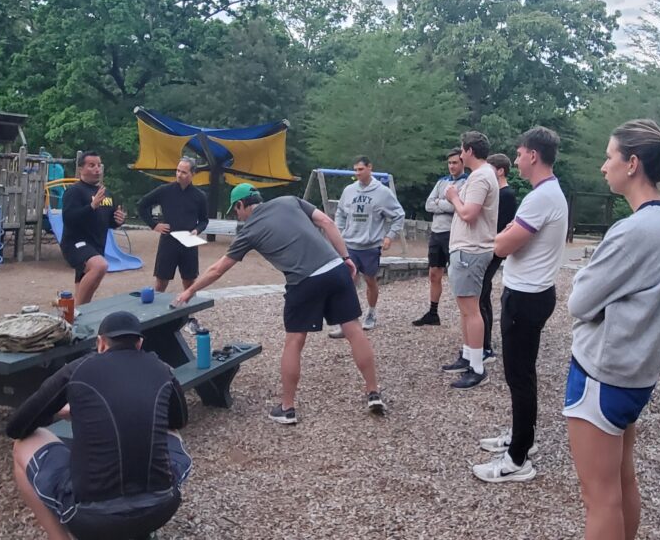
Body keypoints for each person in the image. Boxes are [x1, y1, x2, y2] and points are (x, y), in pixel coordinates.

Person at [563, 119, 660, 540]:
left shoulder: (634, 230)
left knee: (599, 498)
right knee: (621, 483)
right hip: (635, 376)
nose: (604, 166)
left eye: (609, 156)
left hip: (603, 375)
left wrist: (585, 277)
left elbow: (579, 301)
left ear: (632, 164)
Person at [174, 183, 386, 424]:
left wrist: (190, 290)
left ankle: (287, 408)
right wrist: (345, 257)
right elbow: (327, 222)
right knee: (354, 330)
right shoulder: (289, 200)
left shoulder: (249, 231)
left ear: (241, 204)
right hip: (335, 268)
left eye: (236, 210)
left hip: (304, 280)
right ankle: (373, 392)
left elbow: (218, 269)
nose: (238, 216)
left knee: (294, 341)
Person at [6, 311, 191, 540]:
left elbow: (17, 427)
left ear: (101, 343)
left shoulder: (78, 369)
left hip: (90, 520)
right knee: (170, 432)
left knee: (21, 445)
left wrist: (65, 412)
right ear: (139, 343)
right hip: (161, 508)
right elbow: (179, 421)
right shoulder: (161, 368)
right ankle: (140, 529)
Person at [473, 127, 567, 483]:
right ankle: (522, 437)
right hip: (532, 293)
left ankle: (517, 460)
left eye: (519, 153)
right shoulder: (548, 194)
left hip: (526, 297)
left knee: (519, 376)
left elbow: (501, 246)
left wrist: (505, 234)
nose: (515, 159)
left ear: (532, 155)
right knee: (521, 374)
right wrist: (509, 232)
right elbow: (511, 236)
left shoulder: (541, 198)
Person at [440, 131, 499, 389]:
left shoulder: (480, 176)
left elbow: (469, 213)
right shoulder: (482, 175)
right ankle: (467, 355)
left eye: (462, 150)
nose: (461, 154)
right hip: (467, 249)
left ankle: (477, 367)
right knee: (465, 308)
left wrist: (453, 196)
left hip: (471, 250)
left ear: (470, 151)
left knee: (471, 310)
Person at [329, 156, 405, 336]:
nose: (357, 173)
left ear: (370, 168)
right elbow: (340, 213)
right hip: (349, 244)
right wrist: (339, 232)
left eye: (361, 169)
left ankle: (371, 312)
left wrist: (389, 236)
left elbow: (398, 215)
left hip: (370, 246)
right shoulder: (349, 190)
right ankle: (347, 321)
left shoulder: (382, 192)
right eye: (355, 170)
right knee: (347, 282)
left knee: (370, 280)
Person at [60, 151, 125, 305]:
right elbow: (68, 219)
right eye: (91, 165)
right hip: (76, 243)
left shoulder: (105, 193)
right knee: (100, 265)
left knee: (86, 292)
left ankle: (77, 313)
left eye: (99, 165)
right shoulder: (74, 191)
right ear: (81, 169)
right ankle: (75, 311)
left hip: (97, 245)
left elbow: (108, 220)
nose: (97, 169)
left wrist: (118, 221)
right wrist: (91, 206)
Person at [412, 148, 467, 327]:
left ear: (463, 163)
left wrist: (441, 203)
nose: (451, 166)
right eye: (449, 163)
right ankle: (433, 312)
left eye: (455, 163)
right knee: (434, 273)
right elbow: (428, 205)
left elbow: (458, 207)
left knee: (457, 275)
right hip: (437, 233)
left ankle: (467, 313)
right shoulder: (442, 181)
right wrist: (447, 202)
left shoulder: (467, 183)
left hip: (453, 233)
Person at [137, 157, 209, 293]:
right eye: (178, 171)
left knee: (189, 282)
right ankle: (158, 307)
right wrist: (154, 225)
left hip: (189, 243)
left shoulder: (200, 196)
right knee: (161, 282)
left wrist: (197, 230)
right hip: (168, 241)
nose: (179, 175)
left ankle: (189, 306)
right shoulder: (165, 190)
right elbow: (141, 205)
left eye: (184, 172)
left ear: (193, 174)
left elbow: (204, 221)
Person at [478, 153, 518, 361]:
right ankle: (481, 342)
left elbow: (501, 225)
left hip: (493, 249)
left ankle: (485, 346)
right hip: (488, 247)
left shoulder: (506, 195)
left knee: (482, 294)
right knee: (481, 295)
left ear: (500, 171)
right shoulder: (498, 194)